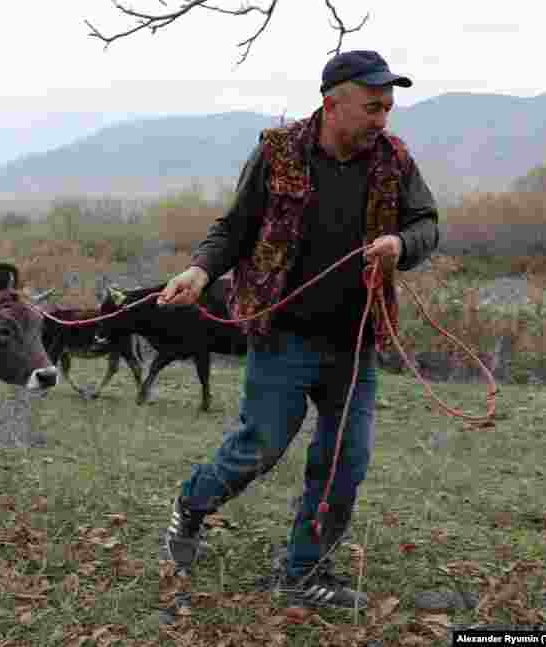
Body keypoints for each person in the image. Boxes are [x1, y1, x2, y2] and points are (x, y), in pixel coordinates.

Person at [158, 50, 439, 610]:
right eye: (373, 107)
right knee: (259, 448)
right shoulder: (277, 152)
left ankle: (304, 574)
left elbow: (426, 224)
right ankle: (192, 505)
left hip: (354, 343)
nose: (383, 118)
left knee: (343, 463)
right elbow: (234, 228)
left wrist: (401, 244)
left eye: (388, 107)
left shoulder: (395, 159)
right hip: (282, 335)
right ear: (332, 105)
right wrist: (200, 270)